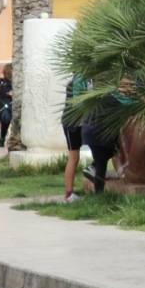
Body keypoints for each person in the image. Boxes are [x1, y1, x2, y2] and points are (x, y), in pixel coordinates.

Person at [61, 73, 86, 203]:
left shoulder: (83, 78)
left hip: (81, 122)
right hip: (72, 123)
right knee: (74, 157)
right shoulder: (79, 80)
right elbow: (79, 102)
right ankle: (69, 194)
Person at [0, 63, 14, 148]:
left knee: (6, 118)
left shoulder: (16, 83)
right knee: (6, 117)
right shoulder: (1, 82)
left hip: (10, 108)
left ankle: (2, 138)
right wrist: (9, 94)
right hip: (5, 107)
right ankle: (2, 138)